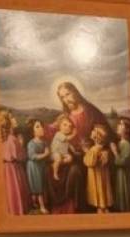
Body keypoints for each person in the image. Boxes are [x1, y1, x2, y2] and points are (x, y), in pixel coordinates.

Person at [45, 81, 111, 214]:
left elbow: (106, 133)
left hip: (90, 156)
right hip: (72, 155)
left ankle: (79, 208)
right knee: (49, 170)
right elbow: (54, 129)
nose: (66, 99)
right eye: (62, 97)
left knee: (75, 171)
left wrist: (106, 150)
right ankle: (62, 208)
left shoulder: (91, 111)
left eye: (68, 94)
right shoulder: (65, 115)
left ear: (75, 92)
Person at [0, 110, 29, 216]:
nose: (14, 120)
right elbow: (20, 156)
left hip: (3, 168)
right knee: (14, 189)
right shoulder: (12, 138)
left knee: (7, 190)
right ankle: (16, 209)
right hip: (13, 169)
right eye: (11, 118)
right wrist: (21, 144)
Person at [84, 123, 113, 213]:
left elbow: (90, 162)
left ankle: (101, 208)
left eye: (93, 130)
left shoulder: (95, 149)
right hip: (103, 174)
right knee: (103, 190)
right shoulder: (103, 148)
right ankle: (104, 207)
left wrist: (86, 153)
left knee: (99, 190)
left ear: (97, 136)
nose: (91, 132)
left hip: (96, 175)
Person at [110, 117, 130, 212]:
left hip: (125, 176)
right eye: (119, 124)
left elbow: (122, 162)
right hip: (121, 174)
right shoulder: (121, 143)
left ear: (127, 129)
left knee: (125, 197)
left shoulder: (126, 144)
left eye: (121, 124)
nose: (118, 126)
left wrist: (114, 152)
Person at [25, 119, 50, 214]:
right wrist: (45, 154)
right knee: (37, 186)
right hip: (33, 167)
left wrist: (47, 154)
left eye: (41, 126)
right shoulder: (31, 143)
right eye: (37, 126)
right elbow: (32, 156)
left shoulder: (44, 142)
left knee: (41, 185)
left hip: (41, 166)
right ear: (33, 131)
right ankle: (41, 206)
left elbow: (48, 154)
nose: (41, 128)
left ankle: (35, 203)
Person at [49, 117, 76, 181]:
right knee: (58, 158)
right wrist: (73, 134)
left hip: (63, 154)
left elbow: (68, 144)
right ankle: (55, 173)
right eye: (65, 125)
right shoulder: (58, 134)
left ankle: (55, 164)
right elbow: (66, 139)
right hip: (55, 153)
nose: (67, 127)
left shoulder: (65, 136)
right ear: (59, 126)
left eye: (70, 126)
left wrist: (73, 149)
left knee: (70, 158)